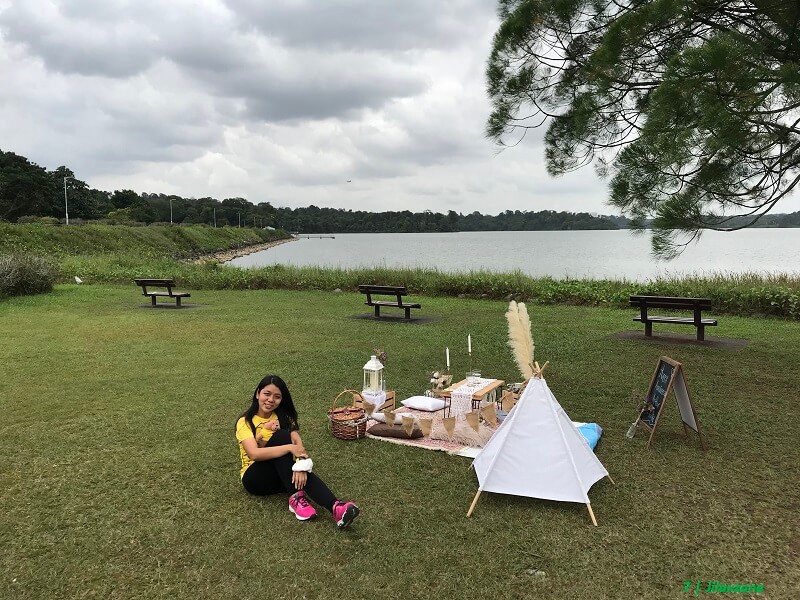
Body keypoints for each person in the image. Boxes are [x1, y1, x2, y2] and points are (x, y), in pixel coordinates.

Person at [235, 374, 360, 528]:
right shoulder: (245, 421)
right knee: (281, 436)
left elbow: (297, 443)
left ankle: (337, 508)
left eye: (277, 397)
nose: (270, 400)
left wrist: (300, 464)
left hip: (279, 475)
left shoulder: (282, 416)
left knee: (302, 472)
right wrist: (289, 448)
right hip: (255, 478)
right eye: (266, 394)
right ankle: (295, 498)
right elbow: (254, 453)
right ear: (257, 393)